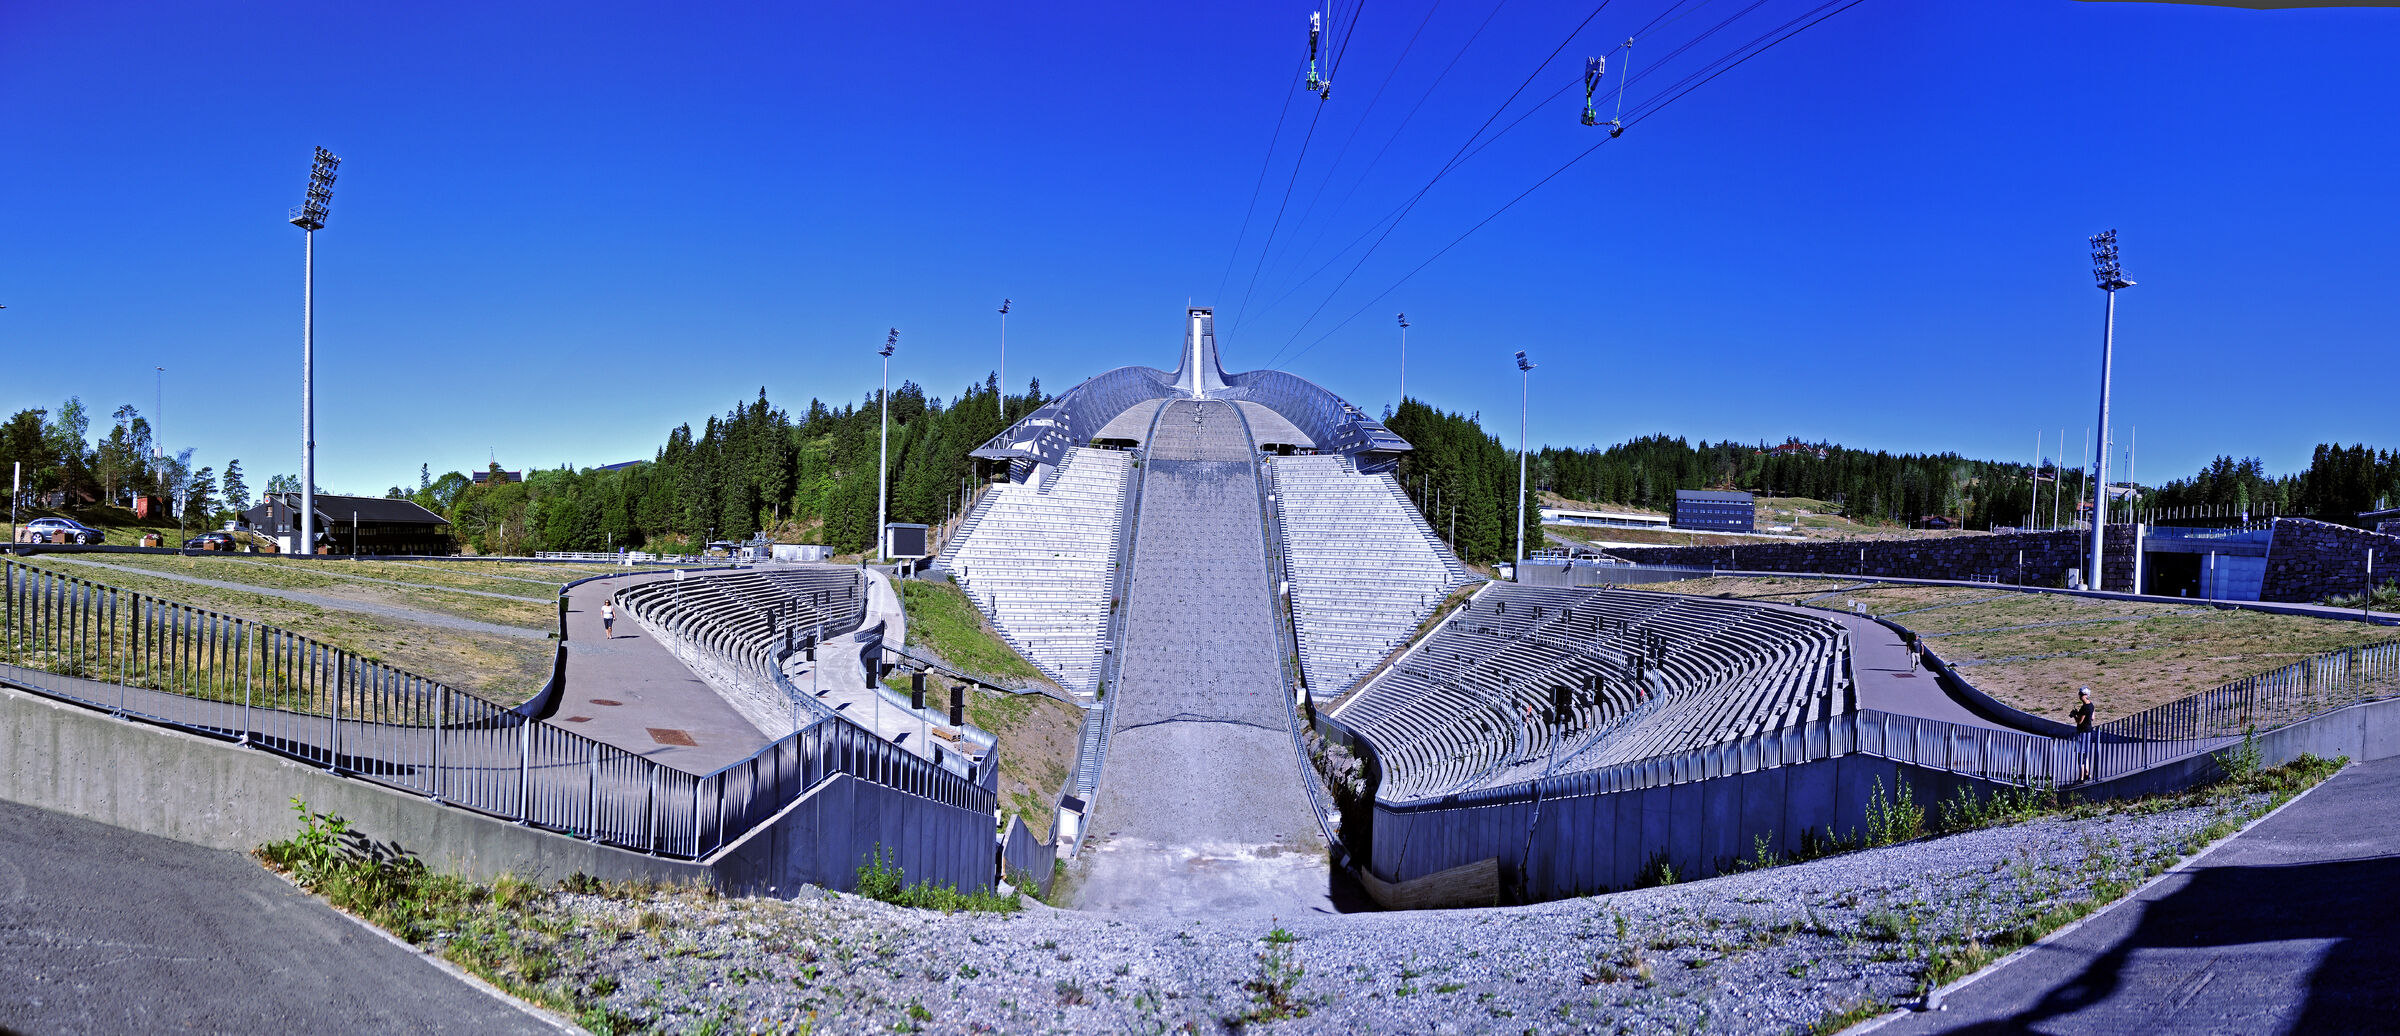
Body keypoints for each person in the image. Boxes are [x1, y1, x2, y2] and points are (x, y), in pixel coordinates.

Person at [2072, 686, 2097, 782]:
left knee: (2080, 754)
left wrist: (2075, 715)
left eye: (2081, 694)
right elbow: (2092, 718)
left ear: (2086, 695)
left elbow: (2079, 721)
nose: (2080, 696)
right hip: (2089, 731)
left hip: (2082, 732)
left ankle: (2081, 777)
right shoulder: (2091, 705)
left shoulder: (2084, 708)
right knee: (2086, 754)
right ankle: (2087, 773)